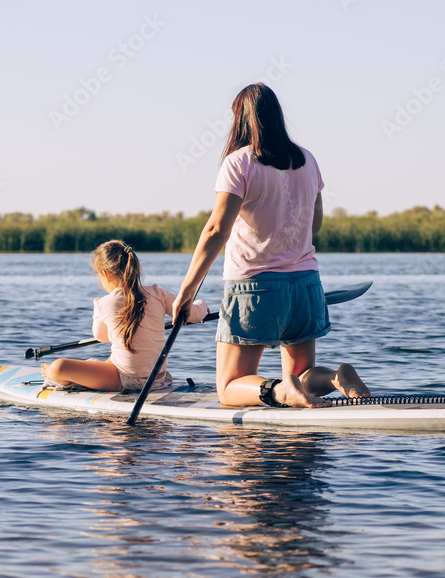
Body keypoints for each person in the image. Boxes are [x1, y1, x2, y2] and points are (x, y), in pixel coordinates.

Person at [172, 84, 371, 409]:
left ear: (241, 120)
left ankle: (280, 391)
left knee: (230, 387)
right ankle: (338, 377)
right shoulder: (306, 159)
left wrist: (186, 292)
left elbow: (215, 230)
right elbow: (314, 225)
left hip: (255, 287)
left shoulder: (238, 163)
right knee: (303, 373)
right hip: (306, 284)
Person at [42, 240, 209, 392]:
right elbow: (193, 315)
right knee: (109, 361)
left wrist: (99, 310)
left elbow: (100, 337)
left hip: (121, 379)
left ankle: (52, 373)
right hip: (157, 377)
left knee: (59, 366)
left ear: (105, 274)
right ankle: (90, 368)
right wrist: (202, 306)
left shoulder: (104, 303)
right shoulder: (159, 294)